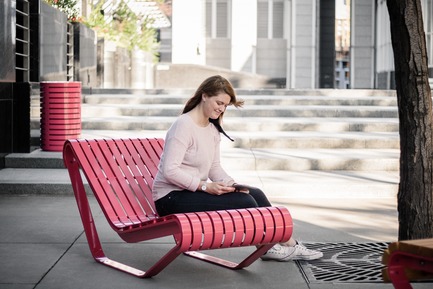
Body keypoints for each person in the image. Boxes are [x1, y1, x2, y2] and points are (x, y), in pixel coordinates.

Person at [152, 75, 323, 261]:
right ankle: (267, 247)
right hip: (170, 198)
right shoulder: (183, 126)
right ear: (204, 96)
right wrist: (204, 186)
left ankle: (287, 243)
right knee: (245, 202)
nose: (222, 108)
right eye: (219, 102)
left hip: (190, 192)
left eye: (225, 105)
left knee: (254, 193)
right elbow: (170, 170)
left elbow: (214, 167)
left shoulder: (211, 128)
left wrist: (233, 185)